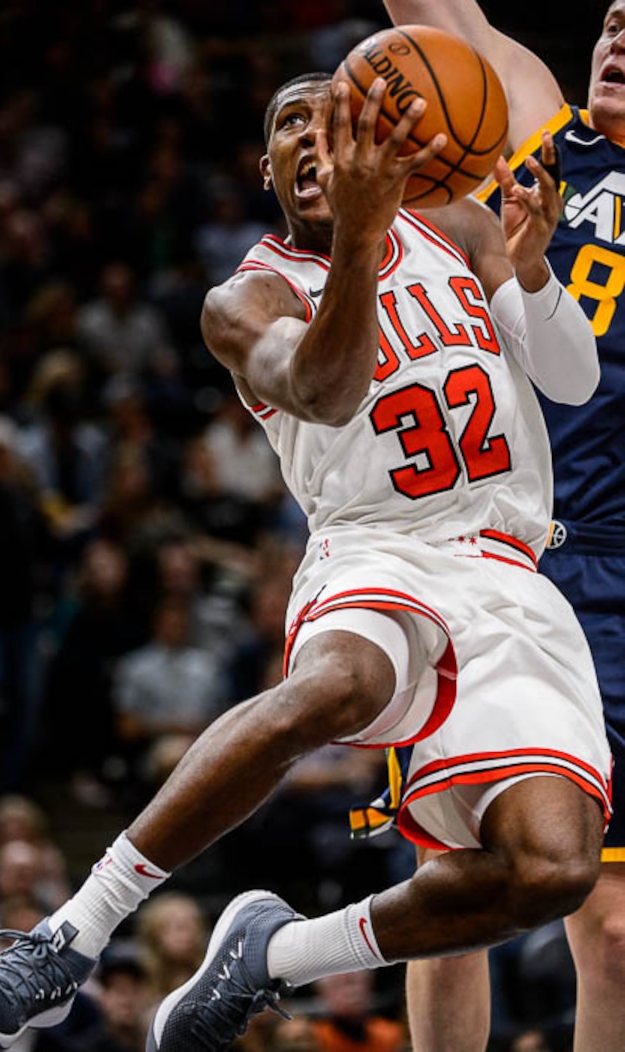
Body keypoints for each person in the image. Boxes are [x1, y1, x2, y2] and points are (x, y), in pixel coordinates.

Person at [0, 67, 612, 1052]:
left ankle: (275, 954)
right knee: (340, 684)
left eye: (332, 119)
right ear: (266, 168)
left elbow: (572, 376)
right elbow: (326, 391)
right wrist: (364, 237)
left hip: (512, 569)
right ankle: (67, 935)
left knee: (550, 871)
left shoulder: (461, 228)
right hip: (377, 545)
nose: (313, 137)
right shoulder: (243, 298)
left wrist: (535, 266)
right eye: (291, 125)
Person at [381, 3, 625, 1050]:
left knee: (611, 928)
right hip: (491, 553)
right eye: (614, 20)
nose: (616, 33)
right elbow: (435, 10)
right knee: (455, 889)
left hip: (617, 576)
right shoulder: (536, 121)